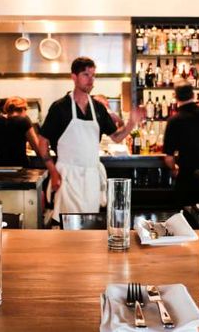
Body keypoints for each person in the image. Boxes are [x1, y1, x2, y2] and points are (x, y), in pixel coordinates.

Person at [38, 57, 138, 223]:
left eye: (93, 75)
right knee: (68, 224)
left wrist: (130, 124)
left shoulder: (98, 108)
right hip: (67, 176)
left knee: (89, 224)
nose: (91, 80)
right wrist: (53, 172)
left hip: (91, 176)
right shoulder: (59, 107)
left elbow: (116, 138)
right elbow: (43, 143)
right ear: (74, 77)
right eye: (86, 75)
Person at [0, 96, 40, 167]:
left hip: (0, 166)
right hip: (20, 166)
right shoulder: (24, 121)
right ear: (23, 109)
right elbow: (37, 148)